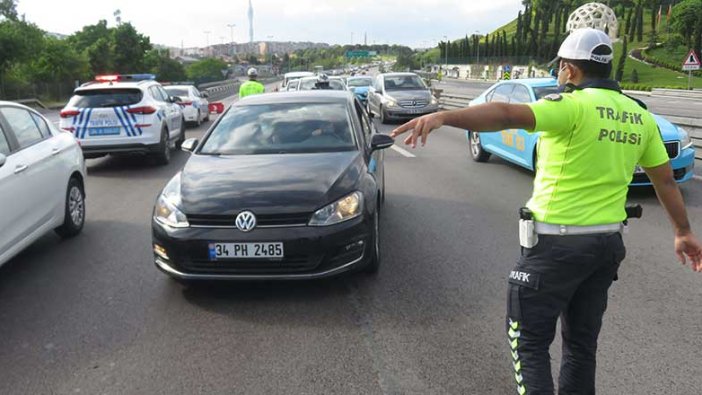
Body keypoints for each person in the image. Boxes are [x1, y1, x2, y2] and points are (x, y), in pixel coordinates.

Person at [390, 28, 702, 395]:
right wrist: (682, 232)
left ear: (570, 69)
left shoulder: (569, 107)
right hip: (606, 246)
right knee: (581, 347)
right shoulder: (639, 117)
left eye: (560, 68)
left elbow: (506, 113)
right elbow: (665, 181)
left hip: (556, 247)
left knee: (529, 344)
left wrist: (445, 116)